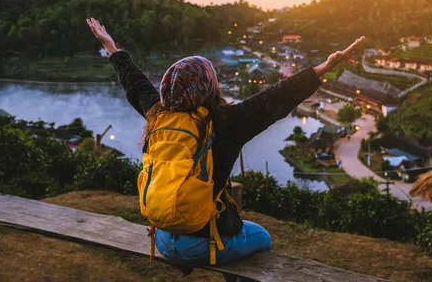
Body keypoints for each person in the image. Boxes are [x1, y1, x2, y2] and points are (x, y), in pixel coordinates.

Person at [86, 18, 364, 281]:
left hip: (160, 237)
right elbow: (276, 97)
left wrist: (111, 46)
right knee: (262, 239)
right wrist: (323, 68)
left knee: (222, 237)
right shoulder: (227, 124)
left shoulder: (158, 115)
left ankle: (188, 258)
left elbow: (135, 83)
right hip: (200, 243)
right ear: (208, 88)